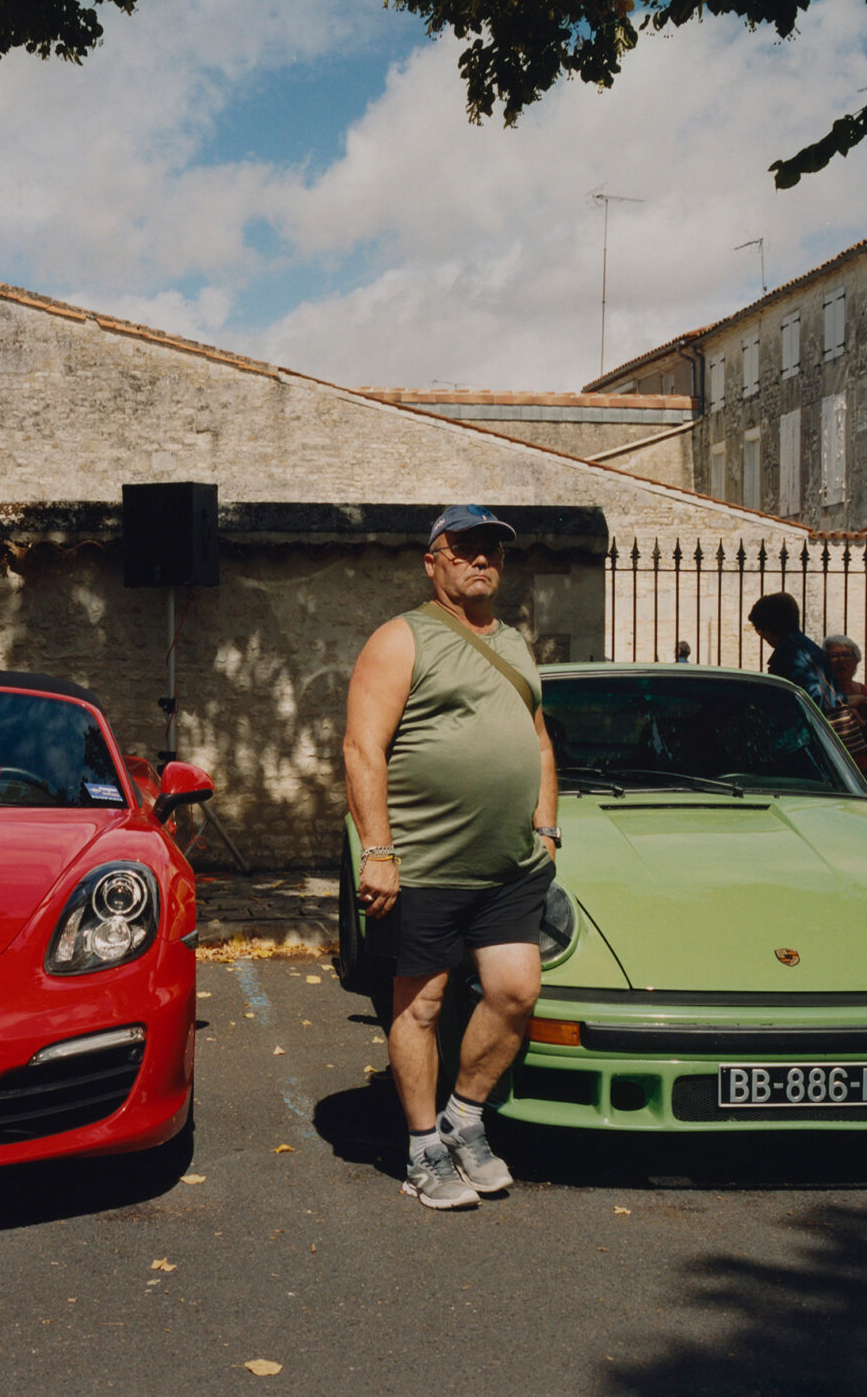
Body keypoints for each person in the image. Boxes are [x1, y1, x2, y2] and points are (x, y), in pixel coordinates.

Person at [342, 505, 559, 1210]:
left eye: (491, 548)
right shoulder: (402, 638)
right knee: (423, 1005)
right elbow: (362, 748)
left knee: (514, 991)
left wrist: (547, 828)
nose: (480, 559)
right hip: (427, 864)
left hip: (509, 866)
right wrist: (378, 851)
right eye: (462, 548)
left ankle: (463, 1119)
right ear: (431, 561)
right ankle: (420, 1148)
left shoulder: (516, 642)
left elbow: (539, 741)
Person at [824, 634, 867, 803]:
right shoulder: (820, 694)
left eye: (846, 655)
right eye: (834, 656)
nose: (841, 660)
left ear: (856, 660)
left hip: (864, 766)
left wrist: (862, 724)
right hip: (827, 768)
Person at [747, 592, 840, 710]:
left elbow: (800, 701)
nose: (762, 636)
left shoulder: (789, 655)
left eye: (759, 630)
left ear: (769, 627)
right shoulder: (808, 648)